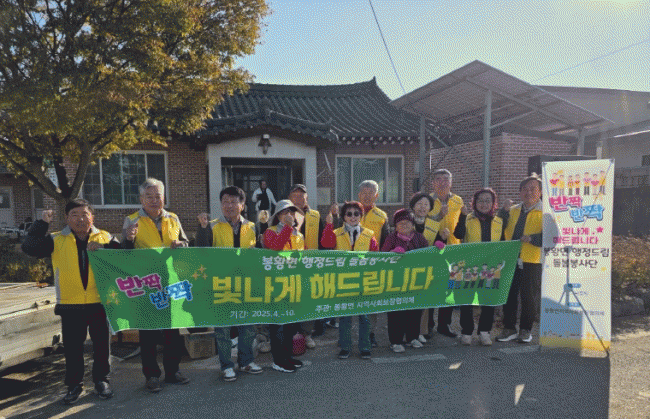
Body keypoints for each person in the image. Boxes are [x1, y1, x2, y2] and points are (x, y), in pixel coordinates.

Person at [22, 199, 121, 404]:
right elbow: (29, 247)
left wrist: (103, 247)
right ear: (66, 218)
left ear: (92, 217)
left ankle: (102, 381)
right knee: (73, 349)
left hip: (99, 302)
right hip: (70, 304)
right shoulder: (56, 239)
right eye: (74, 215)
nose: (80, 219)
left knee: (102, 346)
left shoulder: (105, 237)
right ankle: (74, 385)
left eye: (85, 214)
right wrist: (42, 224)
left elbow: (124, 256)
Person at [122, 178, 190, 392]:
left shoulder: (173, 218)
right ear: (141, 199)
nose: (154, 200)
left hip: (170, 282)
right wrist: (128, 239)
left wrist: (181, 244)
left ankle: (172, 371)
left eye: (157, 196)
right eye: (148, 196)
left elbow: (187, 243)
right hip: (146, 284)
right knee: (148, 333)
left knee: (172, 331)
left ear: (164, 197)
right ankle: (151, 375)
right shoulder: (131, 220)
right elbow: (124, 253)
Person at [196, 186, 263, 382]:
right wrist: (201, 229)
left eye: (234, 202)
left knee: (247, 326)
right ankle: (226, 365)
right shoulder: (211, 226)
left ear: (242, 205)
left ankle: (246, 361)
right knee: (223, 328)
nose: (229, 205)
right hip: (221, 283)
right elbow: (201, 252)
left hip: (246, 283)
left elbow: (259, 252)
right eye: (225, 202)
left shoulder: (252, 226)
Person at [321, 201, 378, 359]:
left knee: (364, 317)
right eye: (349, 214)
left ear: (361, 216)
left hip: (363, 282)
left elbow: (376, 256)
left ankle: (365, 347)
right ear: (344, 217)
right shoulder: (336, 232)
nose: (353, 217)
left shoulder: (369, 234)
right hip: (343, 282)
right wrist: (329, 224)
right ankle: (345, 347)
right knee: (345, 317)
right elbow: (325, 243)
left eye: (356, 214)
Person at [448, 188, 505, 346]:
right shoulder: (467, 218)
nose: (484, 204)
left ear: (493, 203)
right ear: (474, 202)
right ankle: (467, 331)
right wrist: (462, 216)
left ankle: (484, 332)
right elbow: (458, 235)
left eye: (488, 200)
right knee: (466, 299)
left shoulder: (499, 221)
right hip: (469, 266)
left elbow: (504, 243)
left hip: (491, 267)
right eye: (480, 200)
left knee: (488, 299)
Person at [496, 174, 543, 344]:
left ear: (540, 192)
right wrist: (502, 211)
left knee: (529, 297)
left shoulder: (547, 212)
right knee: (509, 294)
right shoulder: (513, 210)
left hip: (532, 260)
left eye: (533, 189)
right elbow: (498, 227)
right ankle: (509, 328)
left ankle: (525, 330)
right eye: (524, 189)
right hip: (511, 258)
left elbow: (553, 237)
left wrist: (533, 238)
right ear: (520, 192)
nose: (528, 192)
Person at [263, 199, 305, 373]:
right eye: (285, 212)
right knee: (278, 324)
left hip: (293, 284)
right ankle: (278, 360)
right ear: (278, 216)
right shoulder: (270, 231)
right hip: (276, 284)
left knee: (290, 324)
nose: (289, 215)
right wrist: (287, 228)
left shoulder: (299, 235)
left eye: (292, 212)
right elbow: (276, 248)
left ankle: (287, 356)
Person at [380, 209, 429, 353]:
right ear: (395, 226)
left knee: (414, 310)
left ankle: (412, 337)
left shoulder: (419, 238)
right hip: (396, 282)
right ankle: (395, 341)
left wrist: (438, 248)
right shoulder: (391, 238)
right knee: (396, 312)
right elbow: (382, 258)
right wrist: (391, 254)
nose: (404, 225)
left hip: (415, 281)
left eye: (407, 222)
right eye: (400, 223)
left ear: (413, 224)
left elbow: (429, 254)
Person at [428, 169, 464, 338]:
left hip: (453, 249)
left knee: (449, 289)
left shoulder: (458, 200)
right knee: (431, 287)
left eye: (445, 179)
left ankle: (444, 325)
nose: (442, 183)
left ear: (451, 182)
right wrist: (438, 215)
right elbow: (422, 222)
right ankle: (428, 325)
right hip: (433, 249)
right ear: (433, 183)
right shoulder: (427, 200)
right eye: (438, 179)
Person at [409, 192, 445, 343]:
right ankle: (409, 331)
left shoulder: (433, 225)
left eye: (426, 204)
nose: (422, 207)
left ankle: (423, 330)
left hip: (427, 267)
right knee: (410, 300)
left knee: (426, 300)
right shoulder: (406, 221)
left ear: (430, 208)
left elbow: (438, 246)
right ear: (413, 206)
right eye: (419, 203)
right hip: (409, 267)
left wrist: (442, 239)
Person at [357, 180, 388, 347]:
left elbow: (386, 242)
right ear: (359, 195)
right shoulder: (351, 211)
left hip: (373, 266)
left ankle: (370, 333)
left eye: (371, 193)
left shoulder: (382, 216)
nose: (367, 196)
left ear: (376, 196)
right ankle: (346, 336)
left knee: (370, 303)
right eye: (364, 192)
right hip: (351, 264)